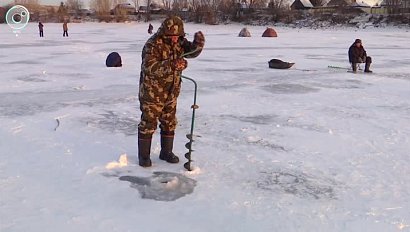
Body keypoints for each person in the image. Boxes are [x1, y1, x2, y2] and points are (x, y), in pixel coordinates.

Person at [138, 16, 205, 167]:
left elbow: (191, 52)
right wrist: (172, 64)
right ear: (165, 33)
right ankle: (144, 156)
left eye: (178, 36)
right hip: (152, 92)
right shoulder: (152, 44)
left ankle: (166, 152)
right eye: (173, 36)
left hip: (172, 90)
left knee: (169, 122)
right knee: (148, 123)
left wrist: (198, 44)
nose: (176, 39)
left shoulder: (179, 42)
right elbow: (149, 67)